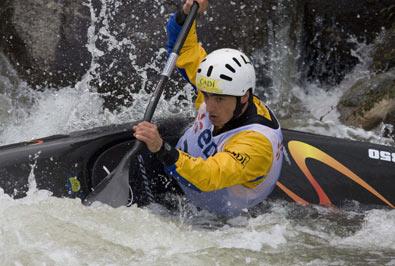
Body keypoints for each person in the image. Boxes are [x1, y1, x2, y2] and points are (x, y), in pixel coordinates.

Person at [133, 0, 283, 217]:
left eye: (219, 99)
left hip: (211, 213)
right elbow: (183, 46)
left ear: (244, 98)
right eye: (207, 94)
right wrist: (186, 15)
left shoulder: (256, 145)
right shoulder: (217, 85)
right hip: (179, 168)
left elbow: (209, 177)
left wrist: (160, 148)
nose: (209, 106)